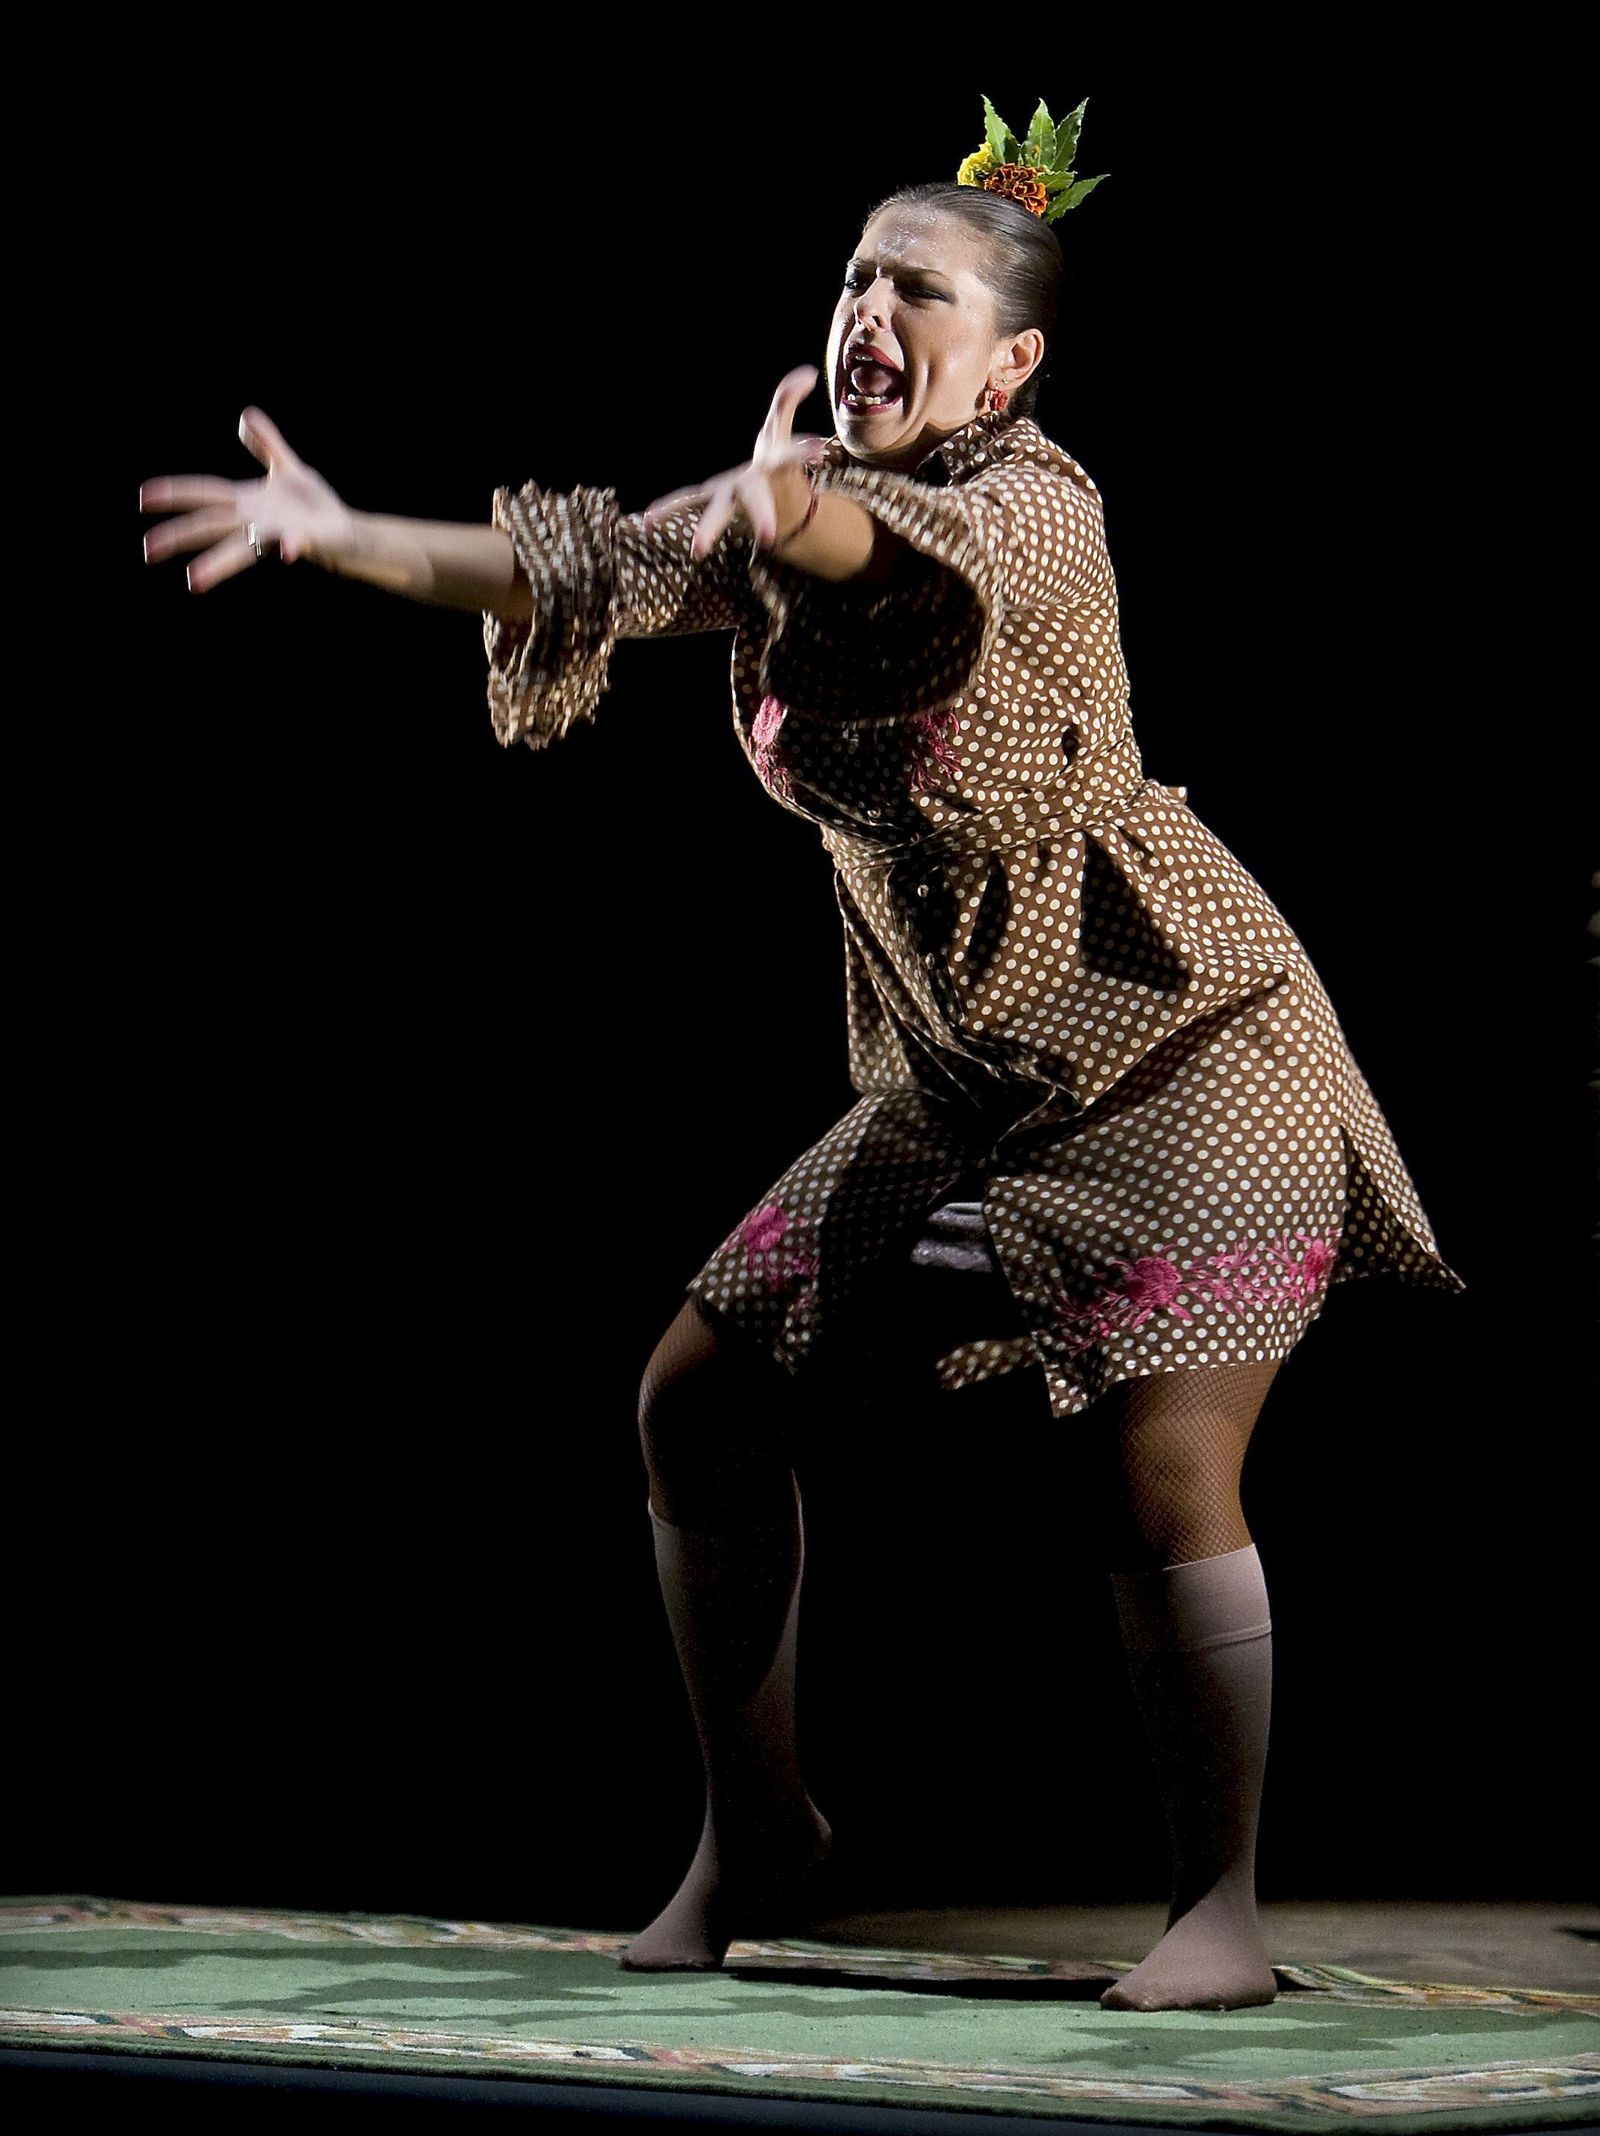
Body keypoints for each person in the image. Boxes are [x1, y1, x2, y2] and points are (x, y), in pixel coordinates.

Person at [139, 98, 1466, 2014]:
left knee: (1159, 1460)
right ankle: (760, 1825)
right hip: (967, 1072)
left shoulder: (1036, 506)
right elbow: (578, 575)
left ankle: (1221, 1908)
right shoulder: (789, 520)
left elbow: (881, 552)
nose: (868, 308)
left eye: (916, 288)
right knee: (698, 1392)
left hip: (1191, 1044)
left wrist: (780, 506)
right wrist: (344, 537)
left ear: (1010, 360)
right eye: (854, 274)